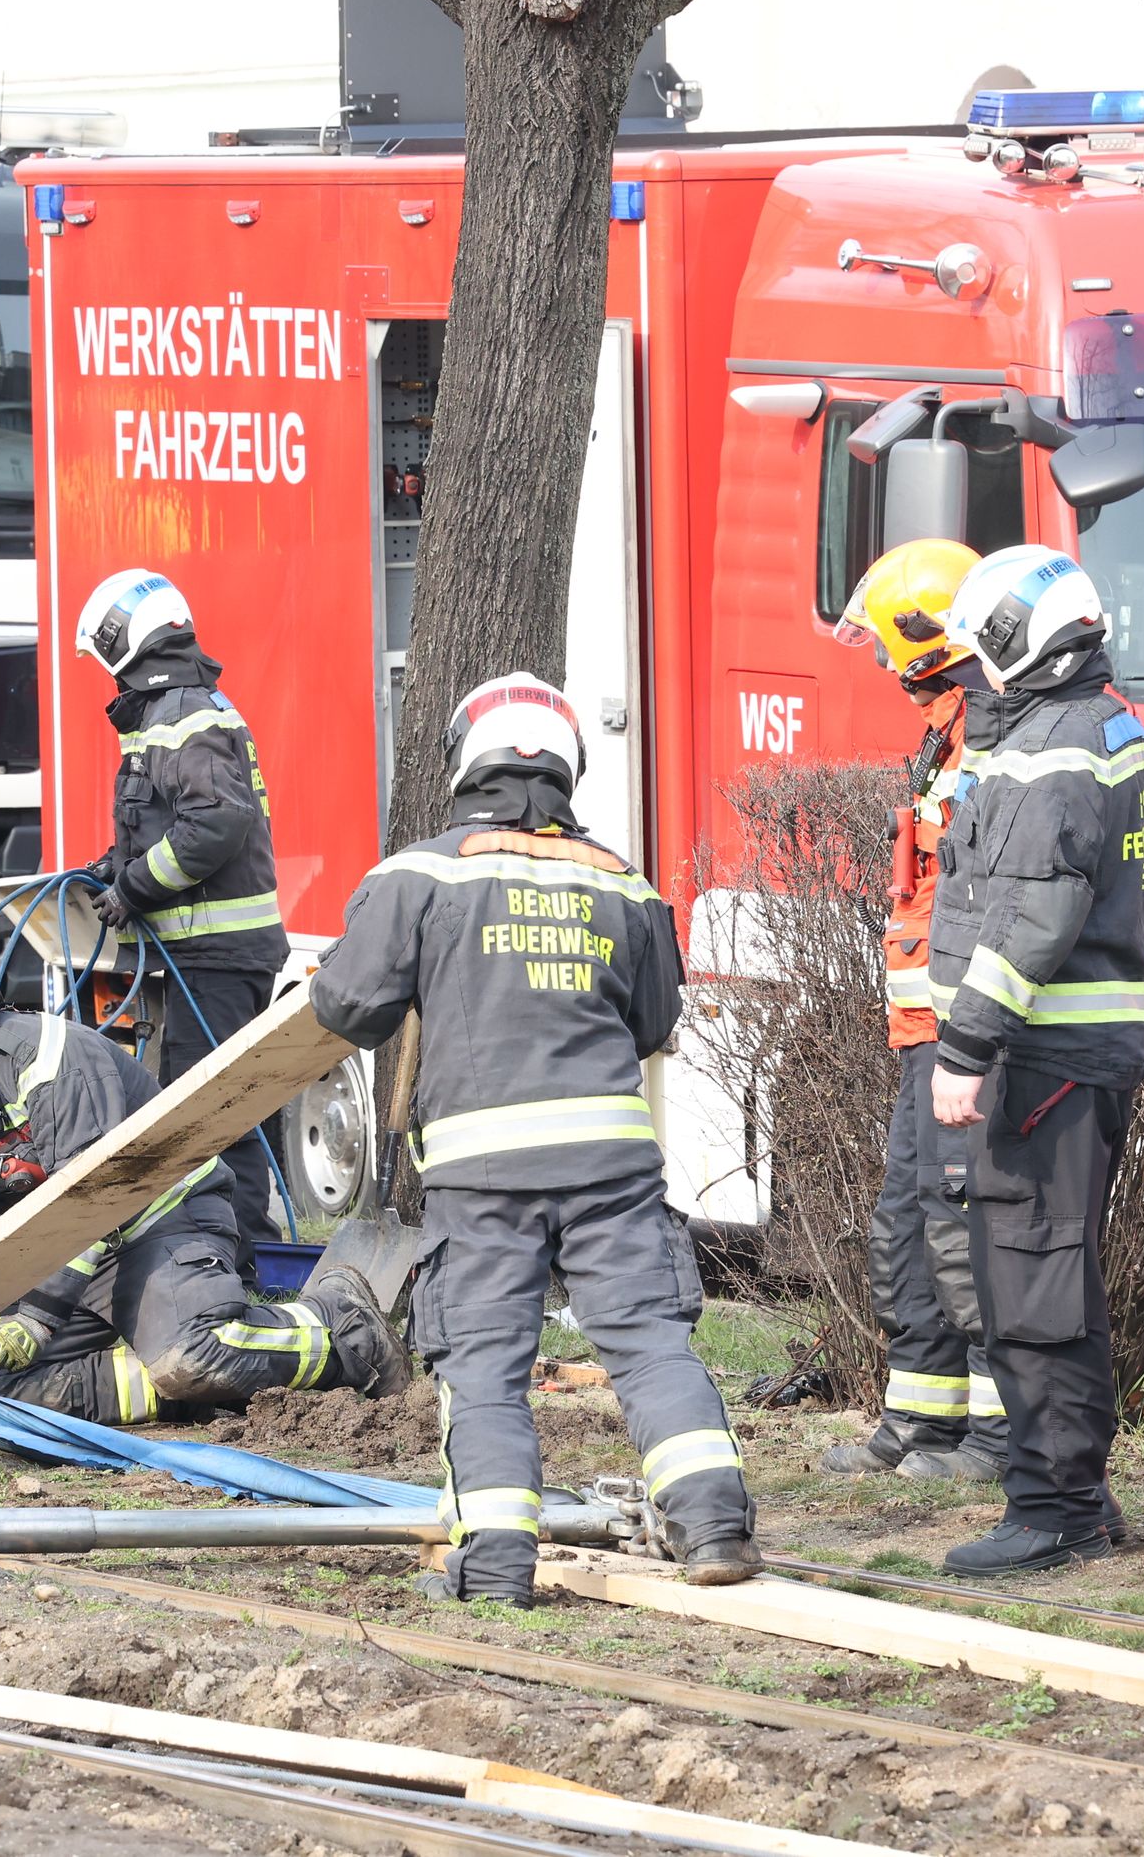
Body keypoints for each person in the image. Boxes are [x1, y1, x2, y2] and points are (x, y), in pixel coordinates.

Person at [309, 674, 759, 1605]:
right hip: (613, 1169)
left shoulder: (422, 874)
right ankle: (714, 1524)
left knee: (483, 1366)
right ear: (566, 764)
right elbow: (653, 1017)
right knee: (649, 1345)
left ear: (465, 759)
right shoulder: (618, 877)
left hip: (482, 1181)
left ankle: (499, 1568)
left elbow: (346, 1004)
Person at [0, 964, 407, 1420]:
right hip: (61, 1266)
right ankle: (183, 1392)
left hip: (157, 1225)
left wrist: (34, 1315)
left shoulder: (51, 1064)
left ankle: (344, 1331)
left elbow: (92, 1199)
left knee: (192, 1353)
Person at [922, 545, 1144, 1576]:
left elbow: (1034, 910)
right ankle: (1077, 1494)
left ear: (1024, 639)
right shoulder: (1087, 725)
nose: (972, 667)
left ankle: (1052, 1506)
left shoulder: (1058, 744)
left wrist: (967, 1043)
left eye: (982, 648)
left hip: (1043, 1054)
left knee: (1029, 1282)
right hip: (1067, 1052)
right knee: (1050, 1272)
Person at [818, 537, 1009, 1485]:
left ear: (923, 641)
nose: (886, 666)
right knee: (907, 1220)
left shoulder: (990, 731)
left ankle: (995, 1432)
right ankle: (919, 1419)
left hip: (962, 1033)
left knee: (963, 1223)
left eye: (889, 646)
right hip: (921, 1035)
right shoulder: (949, 728)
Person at [70, 567, 285, 1202]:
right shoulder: (174, 709)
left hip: (217, 957)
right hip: (205, 957)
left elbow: (217, 821)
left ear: (127, 641)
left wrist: (133, 888)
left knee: (208, 1122)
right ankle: (229, 1256)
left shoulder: (183, 713)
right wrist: (117, 862)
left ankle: (230, 1260)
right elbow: (172, 817)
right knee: (209, 1112)